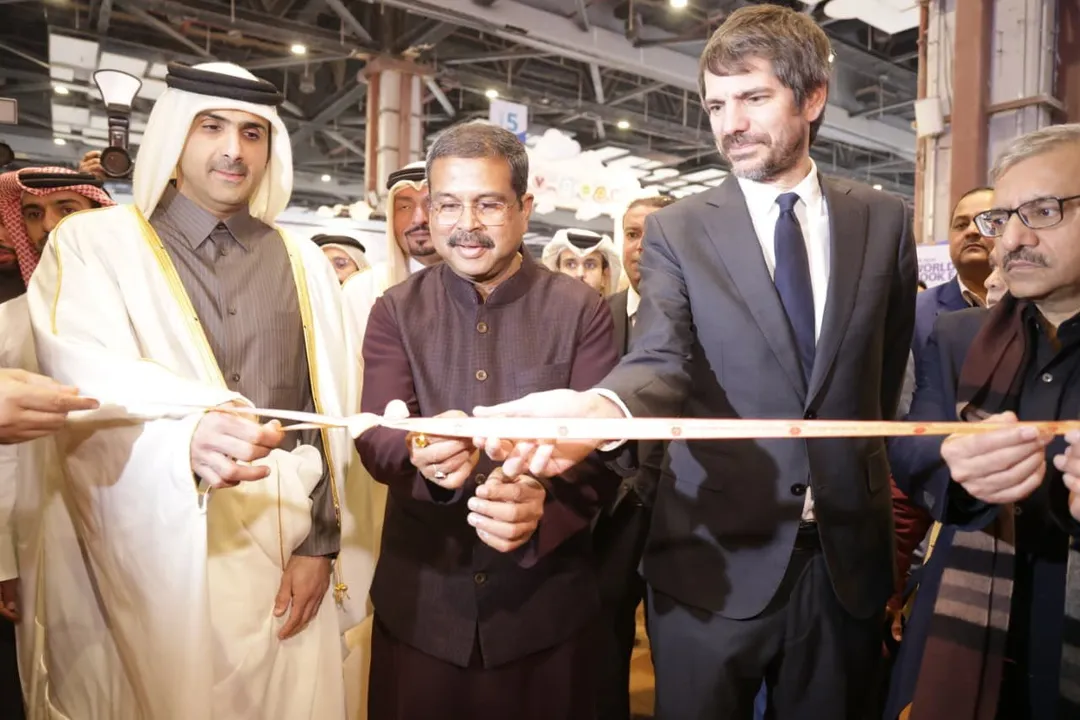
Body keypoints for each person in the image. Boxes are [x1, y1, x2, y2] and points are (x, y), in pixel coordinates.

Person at [473, 6, 916, 719]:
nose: (729, 123)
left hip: (844, 566)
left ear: (811, 98)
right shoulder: (680, 230)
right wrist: (600, 409)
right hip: (712, 560)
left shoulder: (884, 219)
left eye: (753, 97)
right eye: (716, 104)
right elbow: (661, 359)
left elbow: (884, 380)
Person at [24, 62, 366, 719]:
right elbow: (80, 380)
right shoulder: (95, 245)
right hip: (139, 555)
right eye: (211, 127)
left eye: (253, 132)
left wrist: (319, 546)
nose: (234, 149)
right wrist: (181, 437)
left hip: (280, 552)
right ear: (175, 135)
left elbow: (326, 422)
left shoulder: (305, 267)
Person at [354, 121, 620, 720]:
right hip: (425, 604)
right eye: (447, 204)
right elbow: (376, 436)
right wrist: (419, 451)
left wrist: (543, 504)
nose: (464, 224)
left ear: (525, 209)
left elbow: (611, 452)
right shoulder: (395, 310)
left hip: (545, 610)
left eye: (488, 204)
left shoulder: (582, 310)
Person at [886, 123, 1080, 720]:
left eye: (1043, 211)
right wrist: (956, 468)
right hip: (969, 607)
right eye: (1002, 219)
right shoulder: (957, 336)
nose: (1011, 240)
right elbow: (914, 455)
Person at [594, 194, 674, 720]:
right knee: (603, 648)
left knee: (679, 657)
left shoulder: (715, 324)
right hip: (606, 514)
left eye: (655, 234)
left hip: (685, 516)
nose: (640, 247)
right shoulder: (594, 317)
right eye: (631, 233)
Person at [912, 187, 994, 367]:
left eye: (986, 221)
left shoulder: (1040, 304)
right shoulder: (915, 313)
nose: (971, 231)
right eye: (961, 225)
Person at [541, 228, 622, 297]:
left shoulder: (615, 315)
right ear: (557, 273)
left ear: (604, 277)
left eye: (590, 265)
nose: (580, 274)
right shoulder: (537, 315)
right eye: (570, 265)